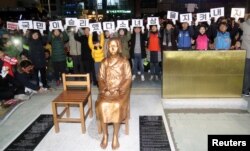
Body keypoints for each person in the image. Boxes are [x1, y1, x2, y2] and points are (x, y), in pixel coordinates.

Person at [95, 37, 132, 150]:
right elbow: (100, 77)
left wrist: (119, 88)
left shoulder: (124, 61)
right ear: (107, 47)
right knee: (102, 105)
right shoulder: (104, 62)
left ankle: (115, 136)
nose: (112, 48)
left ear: (119, 47)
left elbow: (128, 78)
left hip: (120, 92)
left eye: (114, 46)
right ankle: (105, 135)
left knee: (116, 105)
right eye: (110, 46)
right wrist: (105, 88)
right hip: (106, 91)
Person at [240, 14, 250, 95]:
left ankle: (245, 90)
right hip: (247, 53)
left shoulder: (244, 24)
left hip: (247, 54)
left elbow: (237, 25)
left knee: (246, 73)